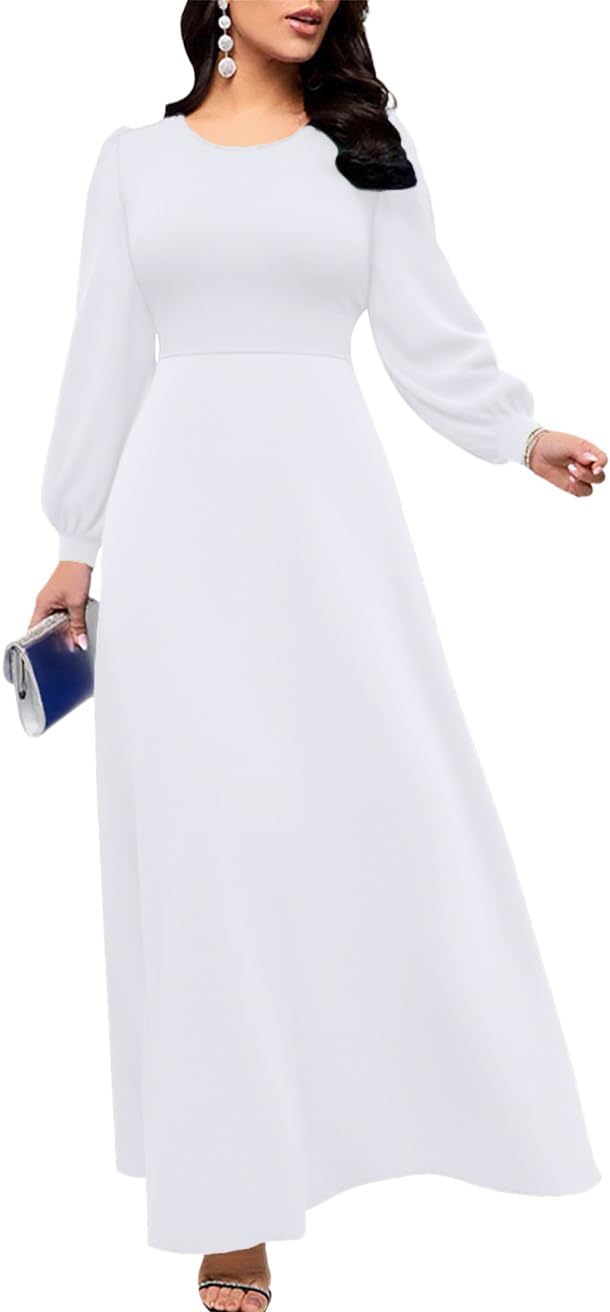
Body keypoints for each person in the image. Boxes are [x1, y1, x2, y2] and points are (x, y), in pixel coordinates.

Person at [30, 3, 604, 1309]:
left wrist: (517, 435)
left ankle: (415, 1125)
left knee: (379, 818)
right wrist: (76, 540)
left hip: (330, 535)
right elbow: (103, 351)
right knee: (206, 852)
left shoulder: (364, 148)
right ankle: (230, 1210)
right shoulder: (132, 160)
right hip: (176, 532)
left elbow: (427, 329)